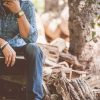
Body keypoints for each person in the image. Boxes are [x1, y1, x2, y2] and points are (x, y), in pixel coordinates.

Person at [0, 0, 44, 100]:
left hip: (19, 49)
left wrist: (19, 12)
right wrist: (2, 43)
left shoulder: (27, 5)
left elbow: (31, 39)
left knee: (34, 49)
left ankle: (35, 98)